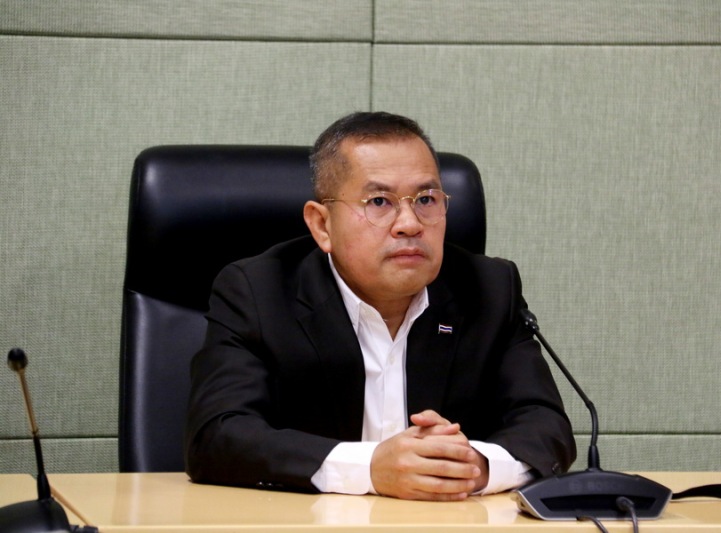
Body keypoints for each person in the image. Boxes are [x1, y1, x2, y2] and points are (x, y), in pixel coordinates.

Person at [184, 111, 576, 501]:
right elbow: (216, 436)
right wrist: (369, 468)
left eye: (426, 199)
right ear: (322, 225)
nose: (410, 223)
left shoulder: (489, 289)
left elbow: (546, 427)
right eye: (379, 201)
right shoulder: (258, 293)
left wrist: (474, 465)